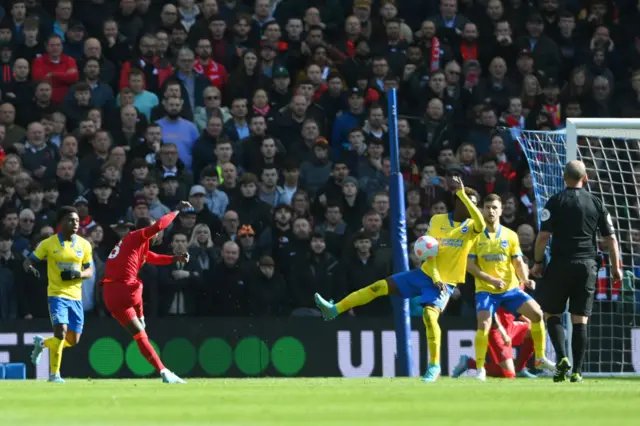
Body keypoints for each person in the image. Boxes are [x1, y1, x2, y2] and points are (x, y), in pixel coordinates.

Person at [315, 176, 485, 382]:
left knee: (430, 317)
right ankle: (334, 310)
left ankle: (434, 366)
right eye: (467, 201)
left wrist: (463, 193)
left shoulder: (471, 228)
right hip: (426, 274)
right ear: (457, 202)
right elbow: (429, 257)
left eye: (474, 204)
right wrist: (435, 276)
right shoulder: (438, 221)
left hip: (446, 283)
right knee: (378, 287)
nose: (471, 207)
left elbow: (481, 222)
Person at [531, 160, 621, 383]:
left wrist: (537, 262)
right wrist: (616, 267)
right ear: (586, 177)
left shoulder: (555, 201)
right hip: (587, 265)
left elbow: (543, 236)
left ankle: (562, 358)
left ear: (564, 177)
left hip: (561, 264)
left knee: (552, 313)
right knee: (580, 319)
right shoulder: (596, 202)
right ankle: (577, 371)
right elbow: (610, 238)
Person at [101, 202, 194, 384]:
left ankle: (164, 371)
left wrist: (175, 258)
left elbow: (154, 258)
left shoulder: (136, 246)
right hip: (124, 290)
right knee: (139, 284)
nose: (159, 234)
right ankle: (141, 316)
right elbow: (160, 225)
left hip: (111, 295)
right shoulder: (137, 237)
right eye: (155, 231)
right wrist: (176, 210)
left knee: (140, 336)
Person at [466, 194, 554, 381]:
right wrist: (489, 279)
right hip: (486, 290)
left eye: (494, 207)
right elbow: (470, 266)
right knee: (484, 324)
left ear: (500, 210)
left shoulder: (510, 235)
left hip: (510, 289)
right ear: (482, 210)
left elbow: (518, 262)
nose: (490, 211)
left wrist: (525, 278)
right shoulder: (474, 236)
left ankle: (540, 358)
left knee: (537, 314)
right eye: (487, 207)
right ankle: (480, 368)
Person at [24, 206, 94, 383]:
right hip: (57, 295)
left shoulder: (84, 245)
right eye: (71, 220)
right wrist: (31, 268)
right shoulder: (49, 243)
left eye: (77, 220)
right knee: (61, 333)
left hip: (76, 297)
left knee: (73, 340)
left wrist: (77, 274)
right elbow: (30, 260)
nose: (75, 223)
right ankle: (55, 374)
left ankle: (42, 344)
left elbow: (90, 270)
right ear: (61, 223)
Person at [451, 306, 538, 379]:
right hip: (496, 330)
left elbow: (515, 306)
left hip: (510, 326)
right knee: (509, 374)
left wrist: (526, 319)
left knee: (534, 330)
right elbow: (491, 310)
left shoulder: (519, 285)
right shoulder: (496, 287)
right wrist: (502, 332)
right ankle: (469, 363)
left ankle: (520, 369)